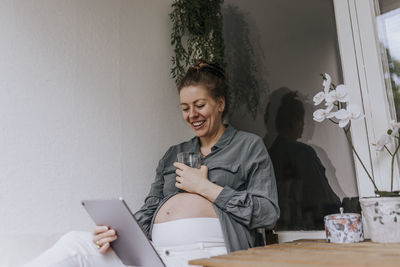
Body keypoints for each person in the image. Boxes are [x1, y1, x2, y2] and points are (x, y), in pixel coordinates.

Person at [24, 60, 280, 267]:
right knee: (75, 244)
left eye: (200, 105)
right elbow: (149, 212)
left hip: (207, 255)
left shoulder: (248, 146)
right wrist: (116, 234)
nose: (192, 115)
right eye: (185, 107)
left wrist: (205, 188)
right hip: (154, 253)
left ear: (220, 104)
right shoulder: (173, 154)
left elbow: (268, 213)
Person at [267, 91, 341, 230]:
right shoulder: (303, 153)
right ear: (294, 121)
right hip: (307, 228)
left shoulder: (269, 154)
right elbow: (323, 198)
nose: (305, 126)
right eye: (303, 121)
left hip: (282, 229)